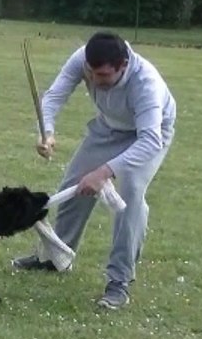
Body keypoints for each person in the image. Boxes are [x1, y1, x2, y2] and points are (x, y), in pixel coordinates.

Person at [12, 31, 176, 310]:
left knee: (130, 198)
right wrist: (46, 133)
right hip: (107, 129)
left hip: (146, 136)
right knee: (73, 186)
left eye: (103, 76)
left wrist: (104, 172)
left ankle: (119, 282)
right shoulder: (84, 59)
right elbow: (53, 96)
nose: (95, 81)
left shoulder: (145, 84)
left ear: (123, 65)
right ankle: (56, 257)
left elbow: (151, 140)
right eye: (91, 73)